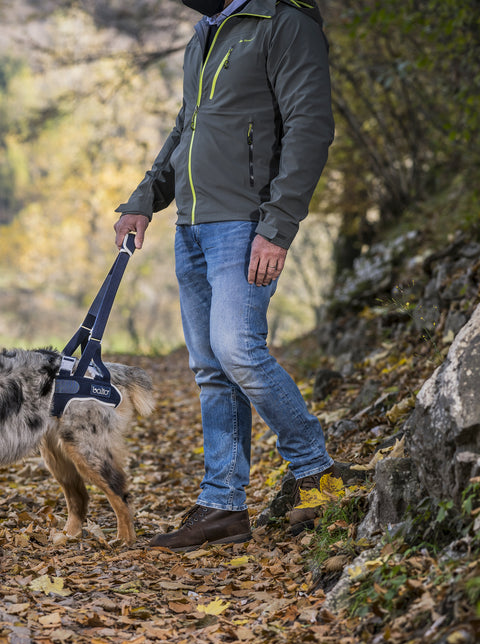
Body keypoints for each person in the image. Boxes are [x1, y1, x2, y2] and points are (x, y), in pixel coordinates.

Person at [113, 0, 340, 551]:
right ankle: (222, 506)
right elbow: (185, 130)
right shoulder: (206, 33)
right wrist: (145, 199)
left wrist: (278, 225)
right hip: (191, 222)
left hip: (246, 222)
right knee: (212, 367)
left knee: (237, 348)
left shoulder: (284, 22)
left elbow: (311, 127)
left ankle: (317, 471)